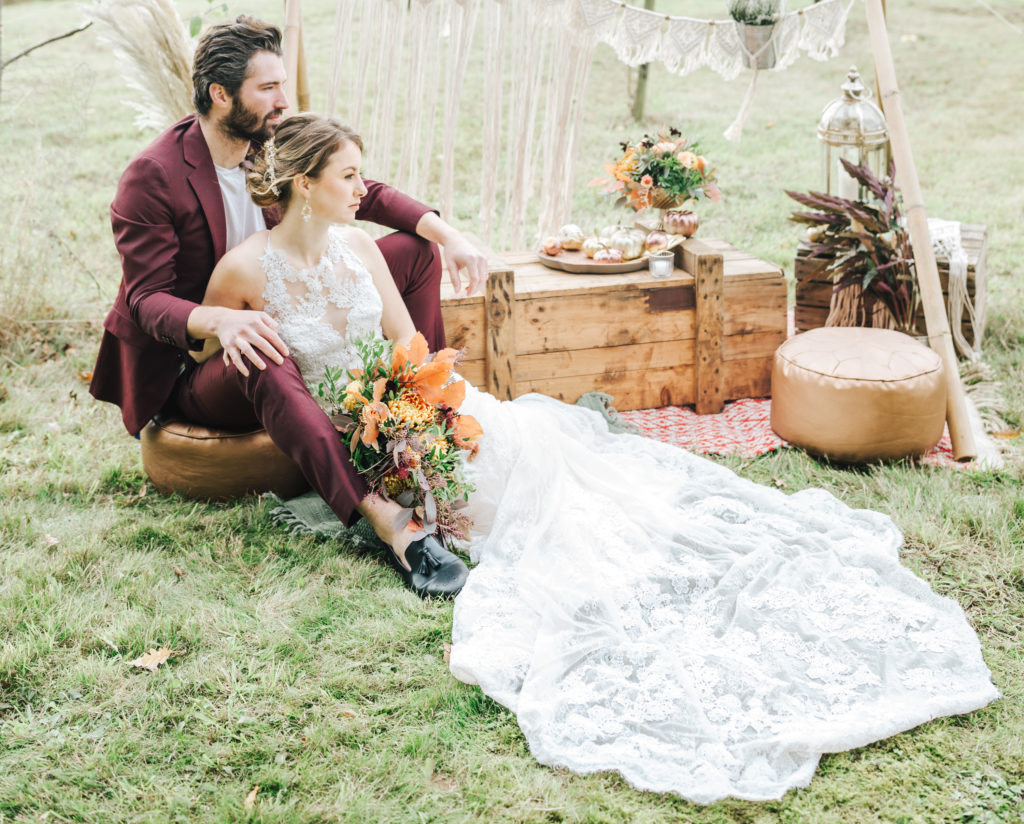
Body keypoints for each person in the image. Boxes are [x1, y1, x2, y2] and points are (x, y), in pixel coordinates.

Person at [210, 111, 999, 807]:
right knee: (510, 518)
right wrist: (372, 430)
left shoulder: (363, 250)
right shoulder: (246, 269)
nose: (363, 187)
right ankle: (415, 519)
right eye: (350, 175)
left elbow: (407, 346)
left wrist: (425, 409)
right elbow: (216, 351)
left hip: (422, 412)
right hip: (361, 438)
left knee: (543, 484)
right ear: (305, 185)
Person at [90, 15, 485, 597]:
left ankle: (411, 414)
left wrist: (444, 230)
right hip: (199, 361)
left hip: (280, 301)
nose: (284, 100)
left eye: (284, 85)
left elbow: (356, 187)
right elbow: (146, 299)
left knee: (414, 251)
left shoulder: (268, 140)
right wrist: (222, 319)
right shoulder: (152, 177)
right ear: (221, 95)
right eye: (268, 88)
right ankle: (392, 525)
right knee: (263, 346)